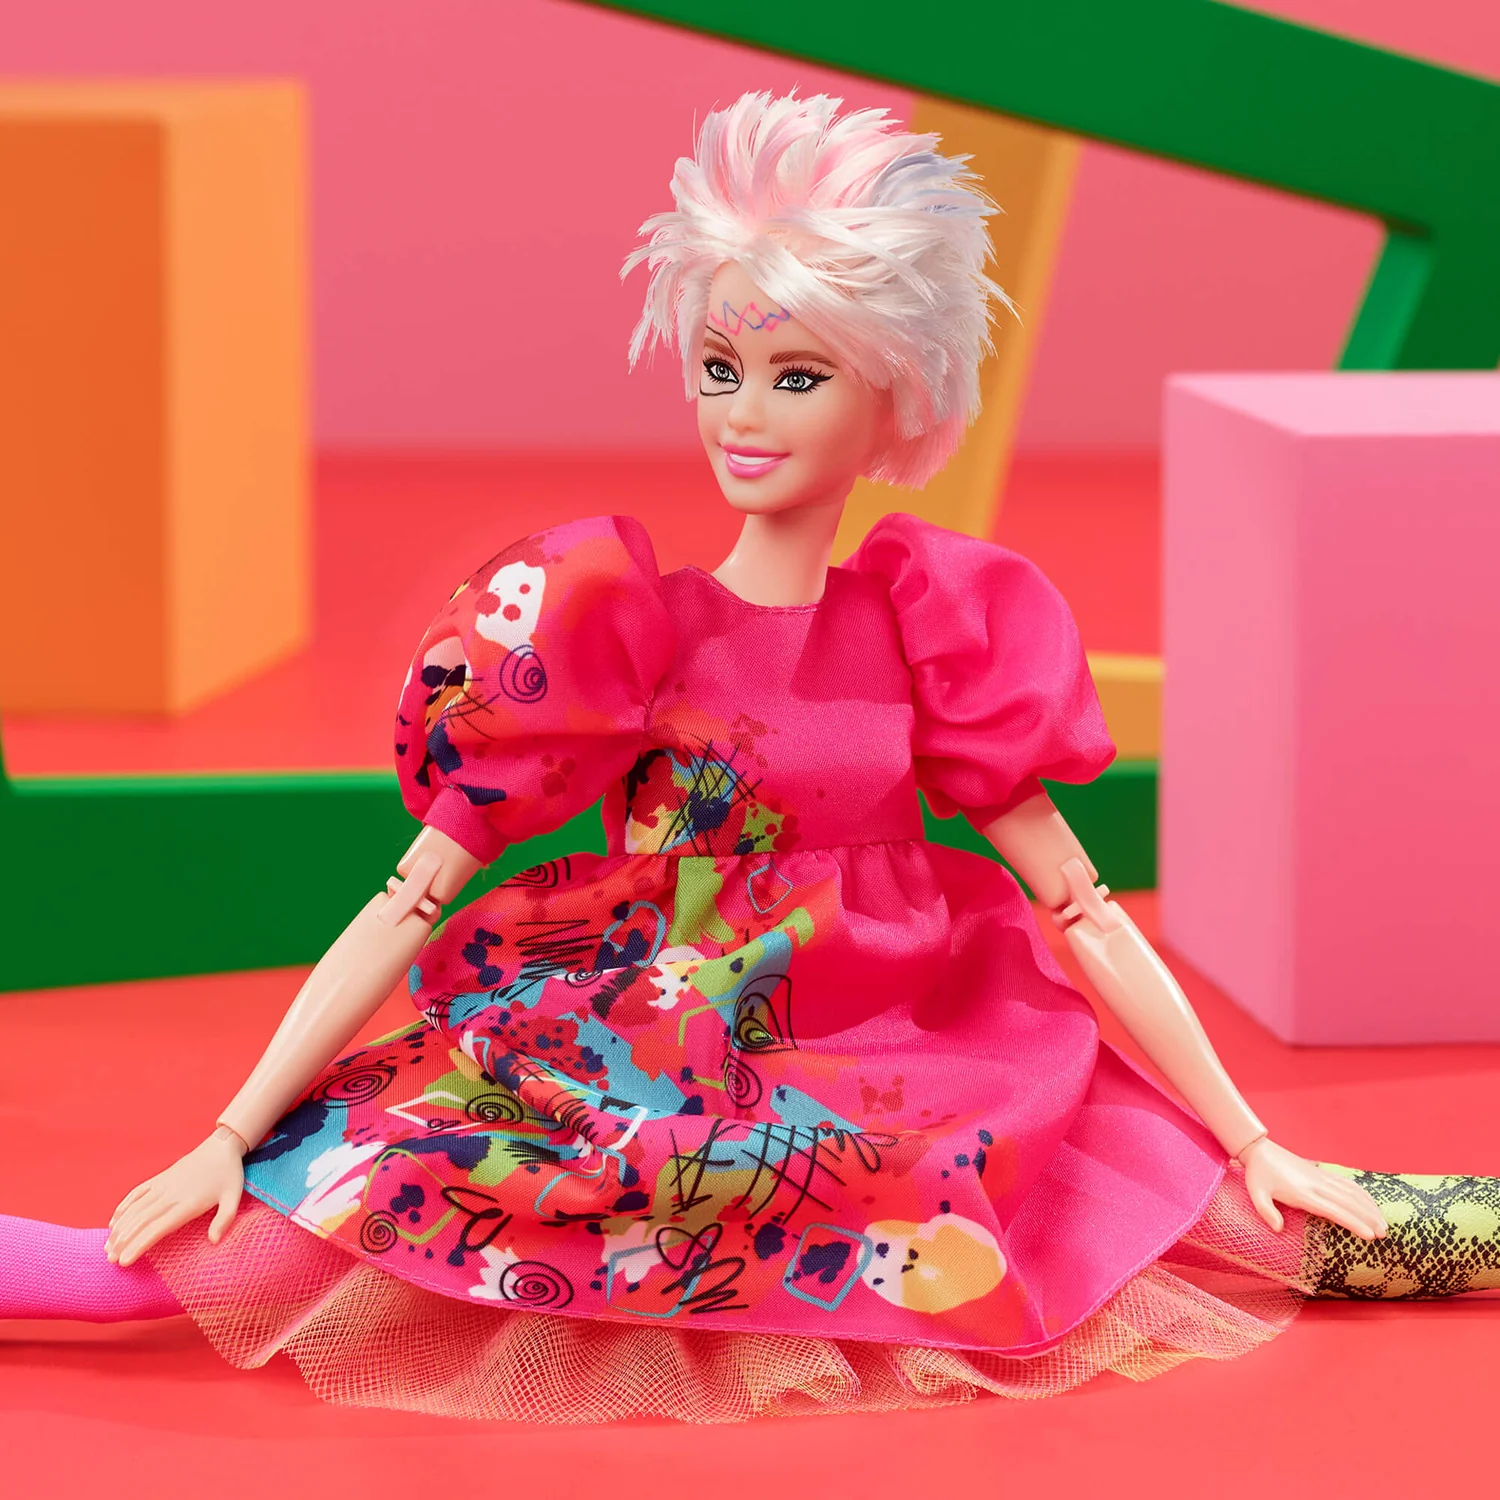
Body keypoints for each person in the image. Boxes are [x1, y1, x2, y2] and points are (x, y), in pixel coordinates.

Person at [3, 92, 1495, 1424]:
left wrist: (1252, 1135)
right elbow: (413, 896)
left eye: (799, 376)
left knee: (1211, 1218)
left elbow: (1081, 907)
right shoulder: (621, 626)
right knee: (350, 1201)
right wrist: (228, 1131)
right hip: (644, 1044)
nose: (744, 413)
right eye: (722, 365)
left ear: (897, 394)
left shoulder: (930, 622)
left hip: (906, 1056)